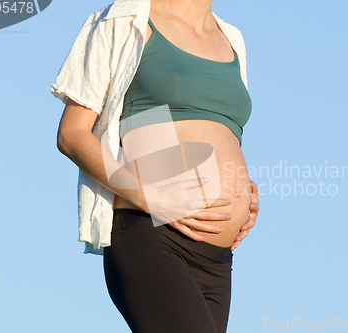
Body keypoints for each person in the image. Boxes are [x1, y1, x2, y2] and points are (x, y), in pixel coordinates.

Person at [51, 0, 259, 332]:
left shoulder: (231, 38)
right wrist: (151, 198)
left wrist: (243, 190)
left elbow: (217, 131)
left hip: (217, 259)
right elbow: (72, 134)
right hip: (152, 234)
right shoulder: (125, 19)